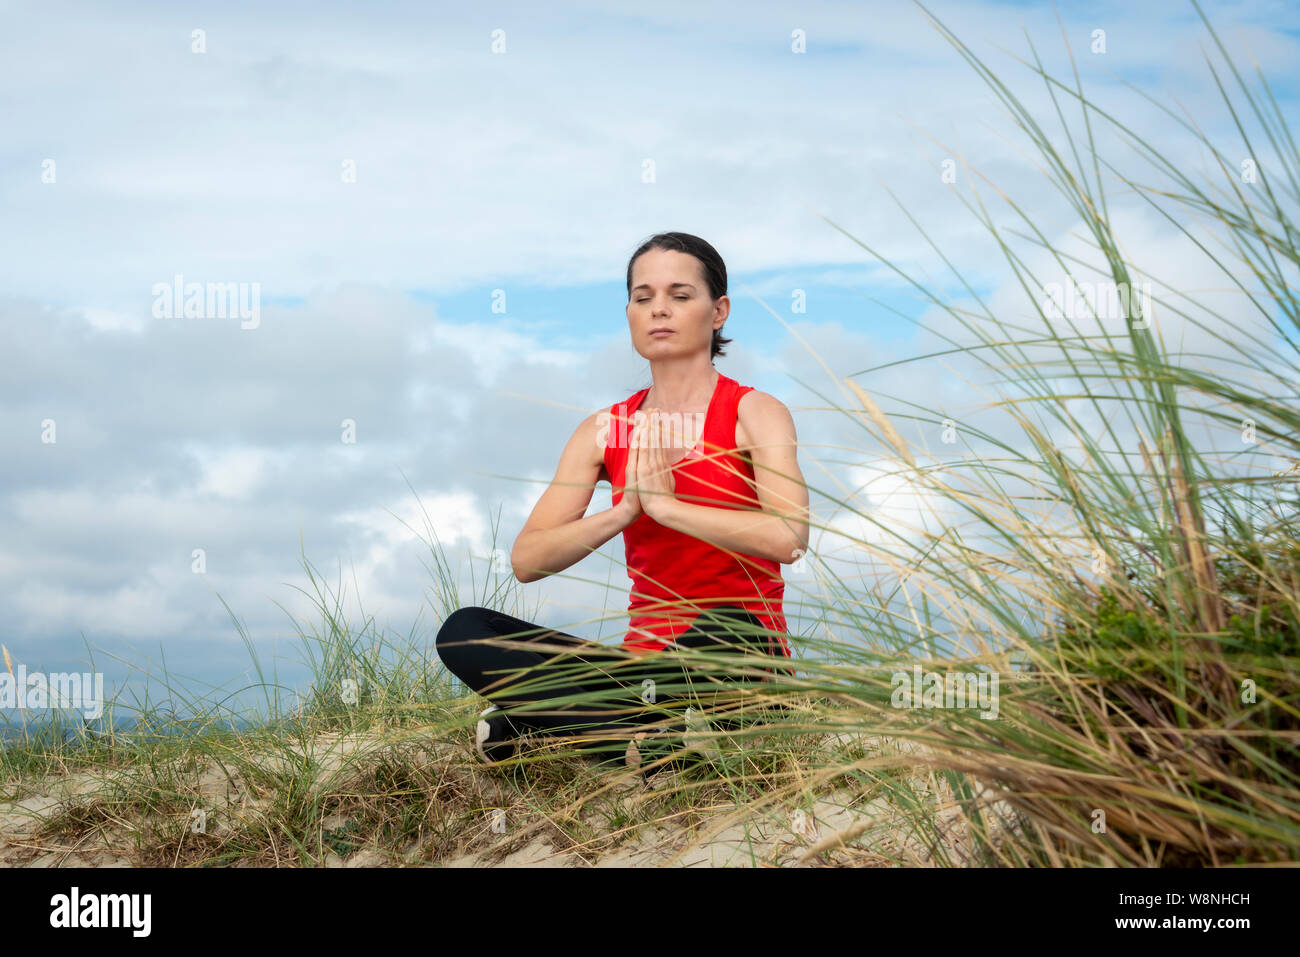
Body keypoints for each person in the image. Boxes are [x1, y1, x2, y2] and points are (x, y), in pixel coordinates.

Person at [435, 231, 810, 770]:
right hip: (642, 670)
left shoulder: (754, 412)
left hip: (736, 652)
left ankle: (560, 728)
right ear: (629, 311)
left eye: (680, 296)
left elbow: (789, 538)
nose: (659, 309)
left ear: (718, 310)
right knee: (466, 631)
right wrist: (623, 512)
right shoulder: (602, 430)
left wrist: (669, 509)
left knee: (725, 624)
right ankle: (650, 736)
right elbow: (527, 560)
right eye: (643, 297)